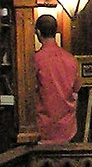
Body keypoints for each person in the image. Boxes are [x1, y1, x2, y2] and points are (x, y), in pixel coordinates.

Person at [34, 12, 79, 144]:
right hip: (68, 126)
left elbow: (31, 90)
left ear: (38, 32)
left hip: (44, 126)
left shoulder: (36, 59)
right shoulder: (70, 59)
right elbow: (76, 89)